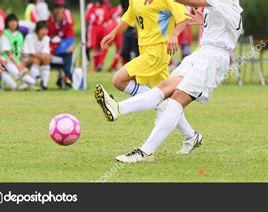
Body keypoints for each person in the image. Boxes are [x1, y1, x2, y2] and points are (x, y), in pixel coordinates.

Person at [95, 0, 243, 163]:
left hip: (214, 58)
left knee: (176, 100)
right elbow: (229, 24)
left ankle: (146, 151)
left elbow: (192, 1)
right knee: (163, 90)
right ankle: (118, 108)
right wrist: (206, 21)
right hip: (202, 53)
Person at [0, 13, 37, 90]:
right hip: (6, 59)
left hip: (16, 60)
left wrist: (22, 62)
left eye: (15, 21)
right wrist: (17, 64)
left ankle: (24, 84)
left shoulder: (19, 35)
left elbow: (20, 51)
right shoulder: (4, 34)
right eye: (11, 21)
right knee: (16, 71)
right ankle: (34, 83)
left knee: (22, 70)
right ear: (7, 23)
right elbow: (8, 52)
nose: (13, 23)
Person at [48, 0, 76, 88]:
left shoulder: (67, 23)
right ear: (53, 10)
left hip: (62, 52)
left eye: (61, 8)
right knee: (68, 55)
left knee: (70, 53)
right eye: (57, 8)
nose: (59, 10)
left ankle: (66, 77)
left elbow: (70, 39)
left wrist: (71, 47)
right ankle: (65, 78)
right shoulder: (48, 22)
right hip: (49, 51)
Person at [22, 21, 52, 90]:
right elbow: (31, 53)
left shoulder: (47, 38)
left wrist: (45, 57)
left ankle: (44, 85)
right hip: (26, 58)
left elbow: (45, 52)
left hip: (38, 58)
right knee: (37, 60)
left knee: (45, 60)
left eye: (46, 29)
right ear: (37, 30)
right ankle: (34, 83)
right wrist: (44, 57)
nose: (44, 32)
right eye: (42, 29)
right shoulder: (30, 37)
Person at [86, 0, 110, 72]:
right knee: (94, 47)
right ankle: (96, 66)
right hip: (94, 28)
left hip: (102, 28)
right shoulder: (91, 6)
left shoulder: (104, 6)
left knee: (103, 45)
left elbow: (107, 18)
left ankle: (100, 63)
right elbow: (87, 17)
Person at [104, 2, 124, 72]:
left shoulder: (115, 9)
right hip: (119, 28)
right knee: (120, 49)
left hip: (110, 27)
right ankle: (113, 66)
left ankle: (99, 65)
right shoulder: (127, 7)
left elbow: (107, 17)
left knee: (104, 46)